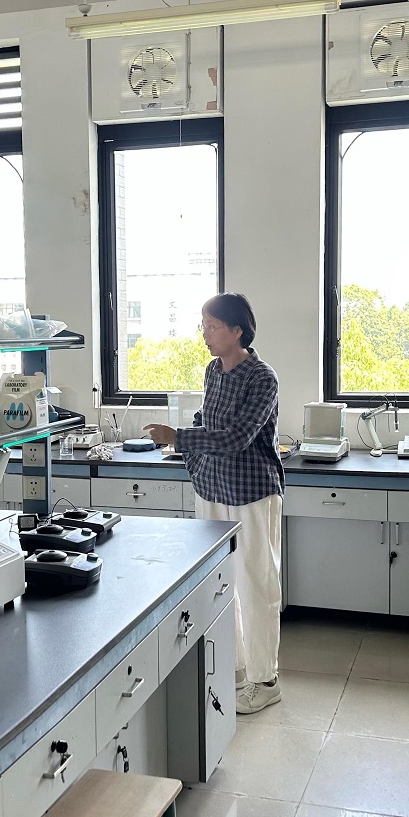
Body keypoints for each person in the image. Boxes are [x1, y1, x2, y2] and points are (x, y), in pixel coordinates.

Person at [145, 292, 284, 714]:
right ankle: (238, 668)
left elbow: (239, 437)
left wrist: (179, 438)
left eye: (212, 326)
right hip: (211, 488)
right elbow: (207, 420)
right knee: (222, 583)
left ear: (237, 330)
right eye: (203, 326)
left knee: (256, 584)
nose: (204, 334)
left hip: (250, 492)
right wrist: (187, 445)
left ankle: (265, 679)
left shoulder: (261, 377)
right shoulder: (213, 370)